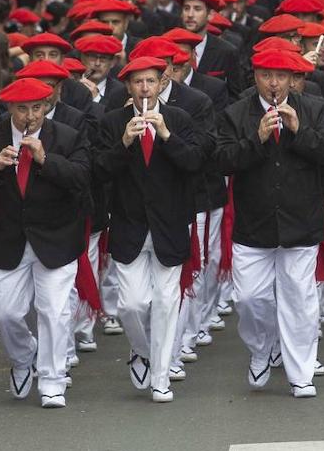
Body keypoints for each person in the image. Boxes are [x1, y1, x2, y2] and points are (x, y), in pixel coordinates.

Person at [213, 49, 324, 399]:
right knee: (248, 299)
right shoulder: (236, 113)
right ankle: (262, 348)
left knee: (299, 299)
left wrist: (300, 131)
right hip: (253, 224)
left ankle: (301, 373)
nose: (273, 83)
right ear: (255, 76)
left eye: (281, 76)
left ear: (293, 78)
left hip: (301, 221)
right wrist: (255, 139)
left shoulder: (316, 109)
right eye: (266, 76)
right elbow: (222, 160)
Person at [0, 78, 91, 409]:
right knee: (4, 313)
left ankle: (52, 379)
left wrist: (46, 160)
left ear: (47, 106)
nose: (30, 116)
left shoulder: (66, 136)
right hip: (7, 239)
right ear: (9, 108)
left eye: (37, 108)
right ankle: (23, 358)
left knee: (55, 312)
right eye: (22, 109)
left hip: (56, 238)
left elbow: (81, 179)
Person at [95, 56, 203, 402]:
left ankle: (160, 377)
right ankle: (143, 351)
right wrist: (124, 143)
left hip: (169, 225)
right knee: (131, 305)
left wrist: (167, 136)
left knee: (167, 303)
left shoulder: (179, 119)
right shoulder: (113, 122)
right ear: (128, 87)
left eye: (151, 81)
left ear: (162, 83)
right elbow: (99, 171)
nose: (145, 89)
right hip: (128, 225)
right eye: (138, 82)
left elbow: (195, 163)